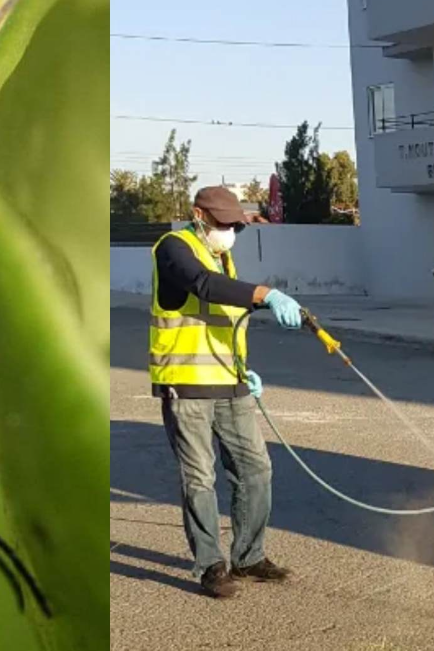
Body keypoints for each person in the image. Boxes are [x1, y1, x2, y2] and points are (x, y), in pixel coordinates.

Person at [149, 185, 303, 599]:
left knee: (255, 468)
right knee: (199, 477)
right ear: (198, 214)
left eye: (236, 224)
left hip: (231, 383)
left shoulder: (224, 259)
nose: (230, 230)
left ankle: (249, 556)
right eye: (223, 223)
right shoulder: (173, 248)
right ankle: (211, 566)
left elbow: (223, 325)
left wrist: (243, 371)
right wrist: (265, 294)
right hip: (186, 385)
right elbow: (203, 286)